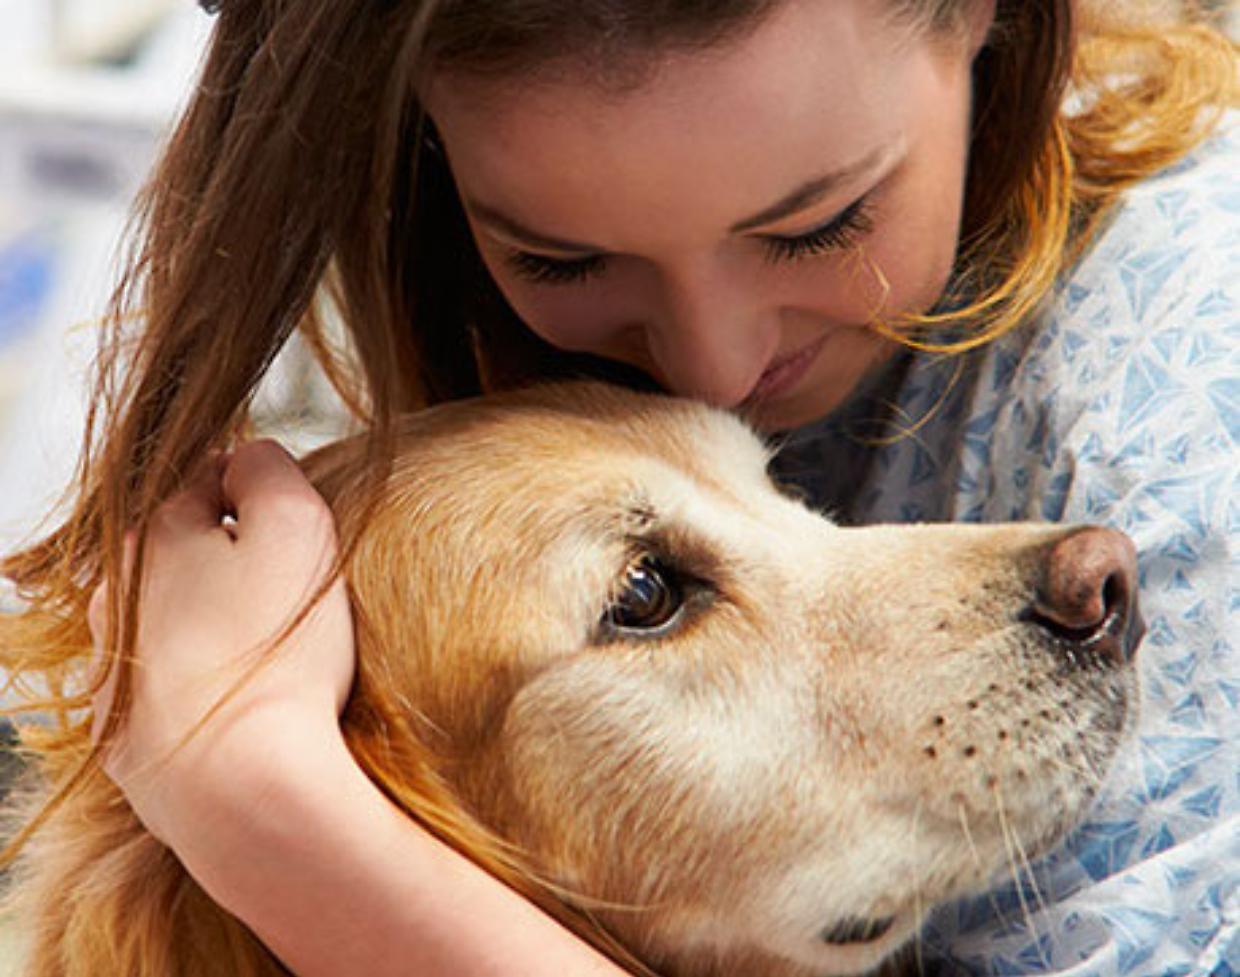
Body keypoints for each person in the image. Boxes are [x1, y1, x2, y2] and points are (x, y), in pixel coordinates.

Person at [1, 1, 1235, 975]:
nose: (713, 365)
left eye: (818, 224)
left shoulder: (1190, 373)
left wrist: (268, 813)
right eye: (562, 256)